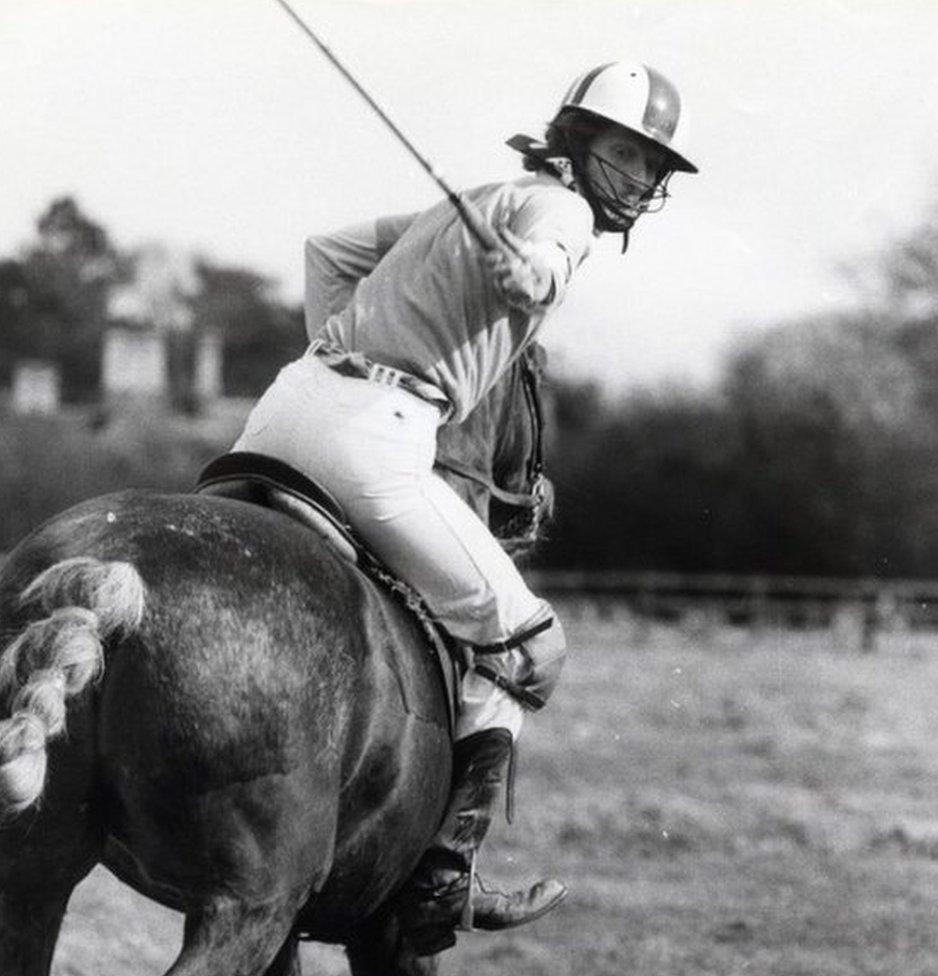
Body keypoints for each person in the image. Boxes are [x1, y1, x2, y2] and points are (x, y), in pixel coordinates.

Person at [231, 60, 697, 954]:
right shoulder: (561, 214)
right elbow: (544, 270)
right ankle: (440, 879)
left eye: (654, 167)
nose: (641, 181)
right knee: (531, 650)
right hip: (372, 440)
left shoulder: (477, 199)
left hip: (280, 413)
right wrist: (528, 278)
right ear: (579, 142)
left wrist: (340, 347)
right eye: (627, 156)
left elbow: (328, 250)